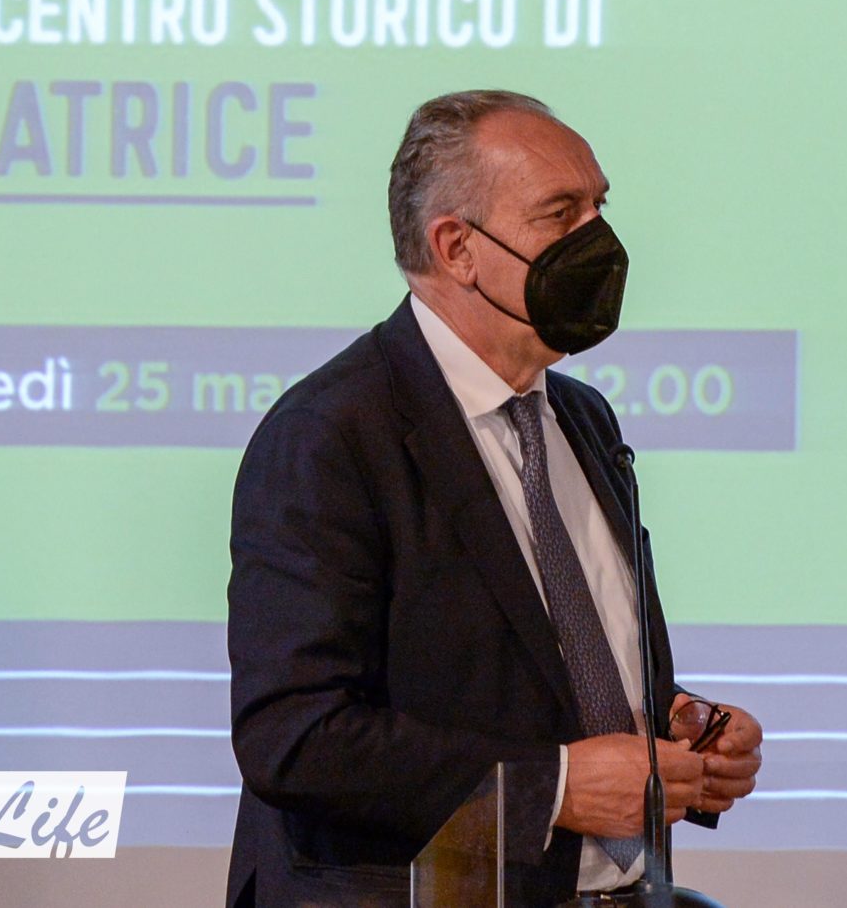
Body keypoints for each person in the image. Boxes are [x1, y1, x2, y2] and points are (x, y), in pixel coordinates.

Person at [226, 90, 762, 908]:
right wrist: (555, 787)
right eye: (561, 213)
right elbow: (295, 738)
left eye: (600, 206)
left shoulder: (582, 418)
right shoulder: (331, 434)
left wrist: (680, 725)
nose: (599, 240)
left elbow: (553, 667)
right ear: (457, 248)